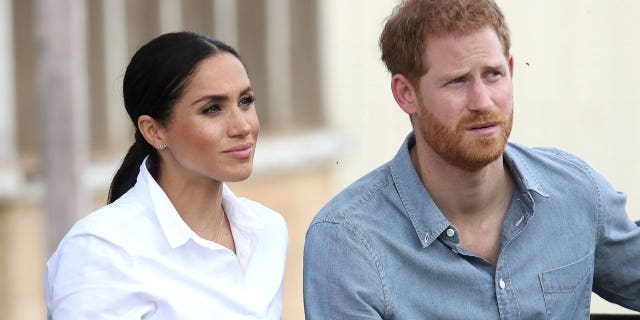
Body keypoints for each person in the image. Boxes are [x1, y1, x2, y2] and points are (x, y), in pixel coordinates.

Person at [303, 0, 640, 318]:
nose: (482, 101)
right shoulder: (348, 242)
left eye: (493, 74)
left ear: (511, 70)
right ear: (406, 94)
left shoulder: (575, 193)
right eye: (458, 81)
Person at [45, 32, 288, 319]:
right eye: (212, 109)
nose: (242, 126)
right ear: (154, 130)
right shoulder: (102, 251)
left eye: (245, 101)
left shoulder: (267, 231)